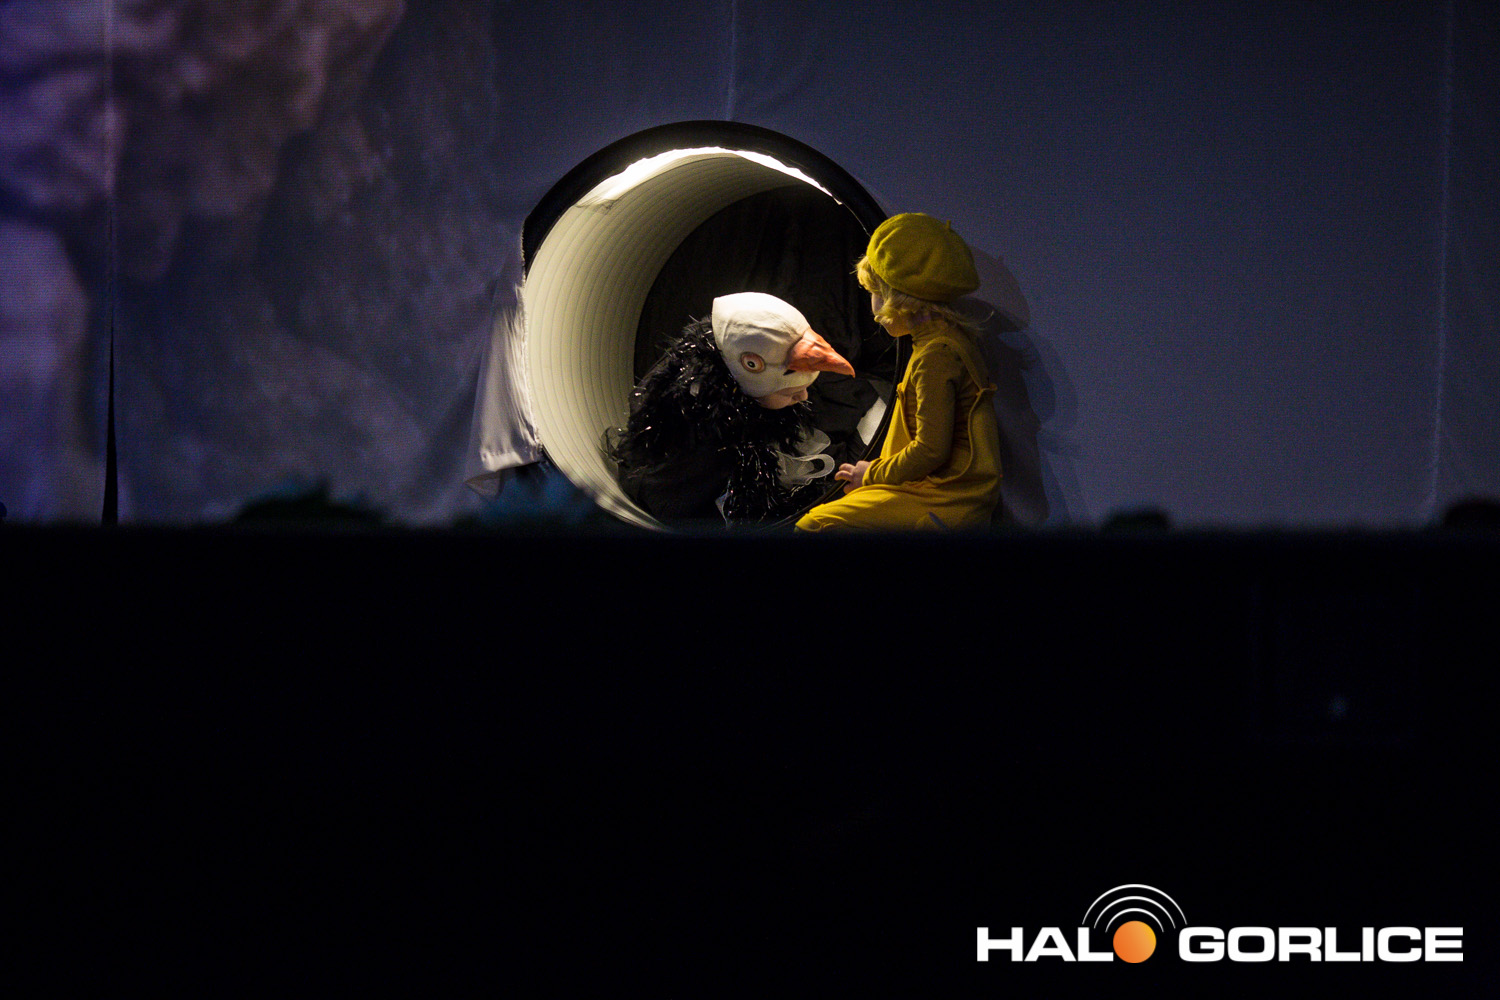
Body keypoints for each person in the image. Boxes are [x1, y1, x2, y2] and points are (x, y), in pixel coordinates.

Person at [795, 213, 1002, 532]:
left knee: (815, 525)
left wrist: (871, 473)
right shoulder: (945, 340)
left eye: (875, 292)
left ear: (900, 296)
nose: (873, 307)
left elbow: (930, 450)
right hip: (943, 488)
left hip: (947, 496)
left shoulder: (935, 355)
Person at [608, 292, 855, 526]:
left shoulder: (726, 374)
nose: (804, 397)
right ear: (750, 365)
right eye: (790, 392)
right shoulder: (710, 434)